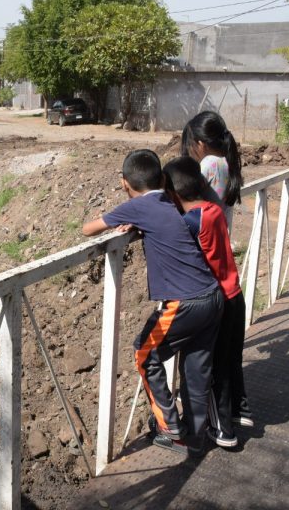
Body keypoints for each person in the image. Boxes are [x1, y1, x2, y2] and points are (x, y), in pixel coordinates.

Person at [82, 149, 223, 456]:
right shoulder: (168, 201)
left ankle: (170, 427)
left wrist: (130, 219)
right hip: (212, 297)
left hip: (184, 303)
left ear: (124, 183)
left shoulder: (138, 206)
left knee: (144, 353)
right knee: (197, 369)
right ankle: (195, 435)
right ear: (162, 180)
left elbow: (88, 229)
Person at [163, 156, 254, 449]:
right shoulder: (213, 210)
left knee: (211, 367)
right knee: (227, 361)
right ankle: (234, 416)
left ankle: (222, 430)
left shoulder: (191, 221)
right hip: (235, 296)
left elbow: (169, 237)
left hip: (217, 304)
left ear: (173, 194)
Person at [180, 111, 243, 232]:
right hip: (218, 237)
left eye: (189, 145)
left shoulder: (210, 163)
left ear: (200, 144)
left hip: (203, 239)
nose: (189, 151)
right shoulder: (226, 161)